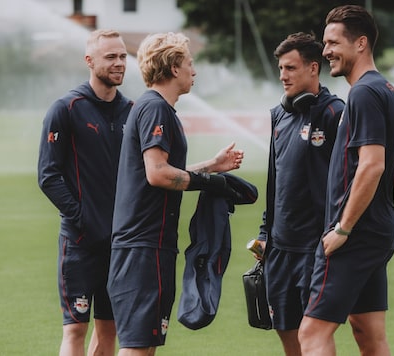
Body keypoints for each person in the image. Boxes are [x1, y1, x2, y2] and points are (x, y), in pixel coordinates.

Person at [107, 32, 244, 356]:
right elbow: (157, 174)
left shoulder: (157, 108)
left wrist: (212, 166)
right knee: (137, 348)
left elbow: (159, 170)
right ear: (172, 67)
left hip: (150, 245)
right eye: (189, 63)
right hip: (143, 246)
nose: (193, 72)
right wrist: (210, 183)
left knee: (146, 345)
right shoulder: (155, 108)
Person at [298, 5, 394, 356]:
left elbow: (373, 166)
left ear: (360, 44)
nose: (326, 50)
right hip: (378, 229)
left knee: (311, 334)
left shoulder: (362, 93)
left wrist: (343, 228)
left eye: (333, 42)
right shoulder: (387, 90)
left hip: (355, 234)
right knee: (368, 332)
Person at [37, 29, 133, 356]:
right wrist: (82, 217)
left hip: (120, 242)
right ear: (90, 61)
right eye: (111, 57)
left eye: (122, 56)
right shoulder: (66, 108)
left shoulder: (133, 112)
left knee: (110, 329)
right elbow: (48, 175)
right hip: (79, 242)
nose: (119, 63)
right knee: (76, 328)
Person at [253, 32, 344, 355]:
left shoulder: (335, 114)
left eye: (290, 68)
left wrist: (338, 230)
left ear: (313, 68)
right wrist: (265, 232)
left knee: (313, 334)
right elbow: (274, 181)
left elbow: (350, 180)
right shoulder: (278, 115)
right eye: (280, 68)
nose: (283, 76)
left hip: (315, 248)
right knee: (287, 334)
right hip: (279, 248)